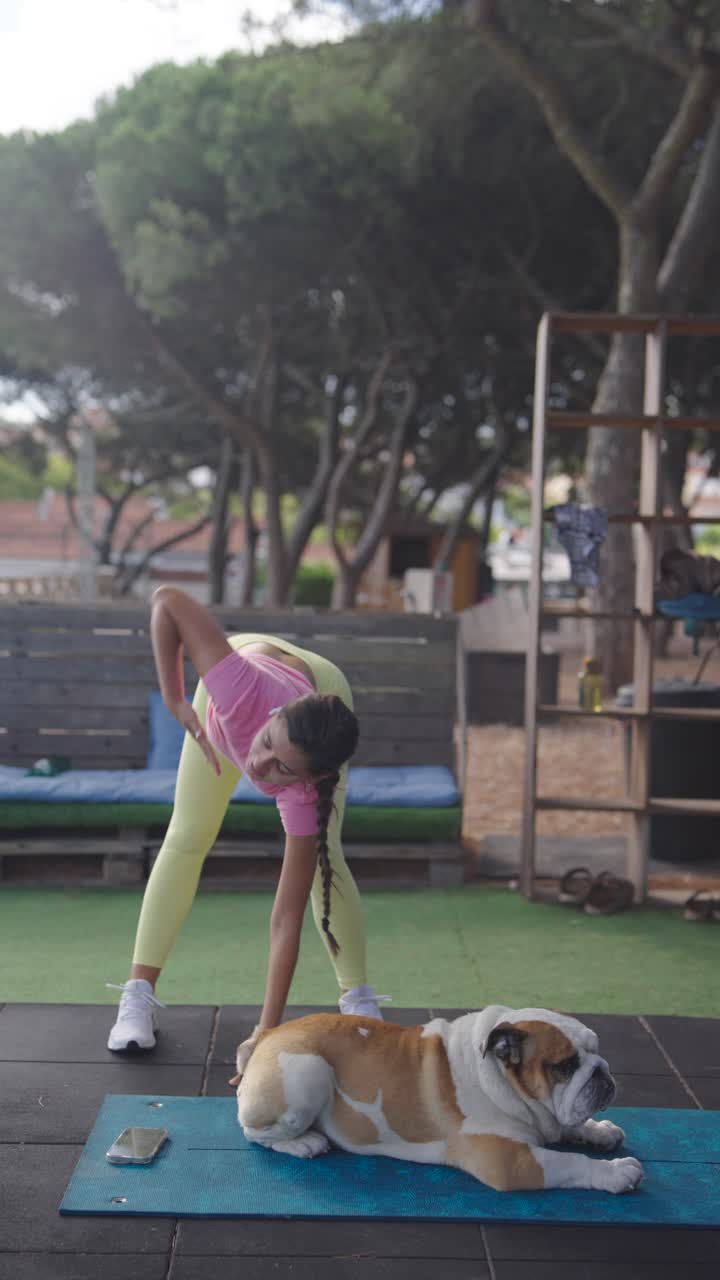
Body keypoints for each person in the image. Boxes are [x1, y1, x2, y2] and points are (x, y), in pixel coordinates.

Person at [107, 586, 388, 1055]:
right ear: (273, 718)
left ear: (312, 779)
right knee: (188, 834)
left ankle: (357, 996)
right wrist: (174, 698)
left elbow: (285, 919)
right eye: (266, 747)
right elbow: (167, 599)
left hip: (326, 687)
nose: (258, 768)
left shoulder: (305, 789)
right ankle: (137, 996)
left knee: (325, 856)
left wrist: (266, 1031)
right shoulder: (239, 689)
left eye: (282, 768)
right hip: (248, 673)